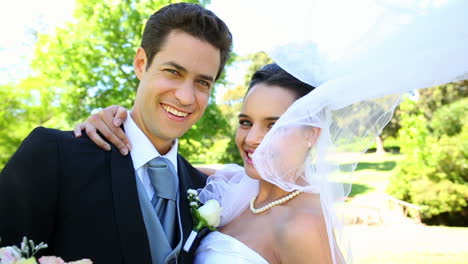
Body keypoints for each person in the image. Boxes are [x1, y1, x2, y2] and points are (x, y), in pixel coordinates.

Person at [0, 3, 232, 264]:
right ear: (141, 63)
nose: (186, 97)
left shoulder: (205, 192)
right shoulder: (53, 156)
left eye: (202, 82)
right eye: (173, 72)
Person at [75, 63, 346, 263]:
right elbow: (159, 163)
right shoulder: (234, 184)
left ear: (311, 134)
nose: (252, 139)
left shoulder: (303, 226)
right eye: (245, 122)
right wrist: (111, 124)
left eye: (274, 126)